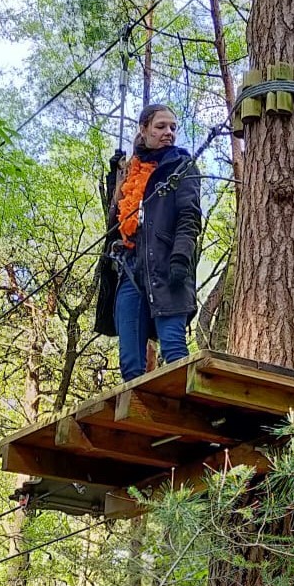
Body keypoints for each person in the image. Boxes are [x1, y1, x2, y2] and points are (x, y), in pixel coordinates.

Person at [94, 103, 203, 383]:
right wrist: (114, 177)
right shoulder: (130, 172)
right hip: (129, 270)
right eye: (161, 126)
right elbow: (118, 219)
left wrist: (181, 257)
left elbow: (189, 216)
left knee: (174, 347)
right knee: (130, 362)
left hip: (167, 266)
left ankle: (183, 413)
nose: (169, 133)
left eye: (173, 128)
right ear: (143, 130)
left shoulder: (181, 165)